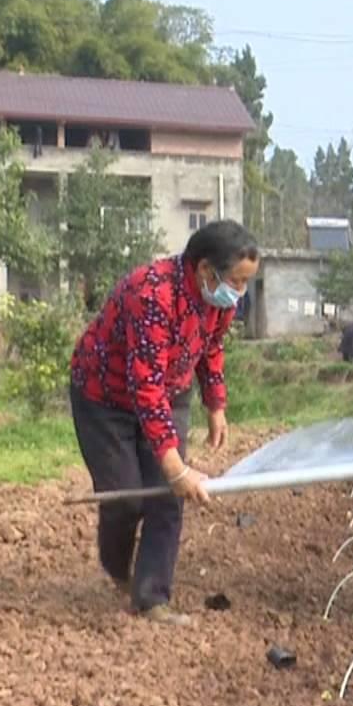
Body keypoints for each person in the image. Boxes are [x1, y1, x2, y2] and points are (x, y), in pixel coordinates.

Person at [69, 220, 260, 625]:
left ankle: (151, 596)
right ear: (206, 270)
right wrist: (176, 468)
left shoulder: (219, 300)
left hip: (170, 389)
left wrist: (216, 404)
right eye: (237, 282)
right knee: (127, 496)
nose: (239, 293)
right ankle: (119, 568)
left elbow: (211, 347)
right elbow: (145, 386)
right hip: (105, 396)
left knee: (168, 499)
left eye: (246, 284)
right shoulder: (153, 293)